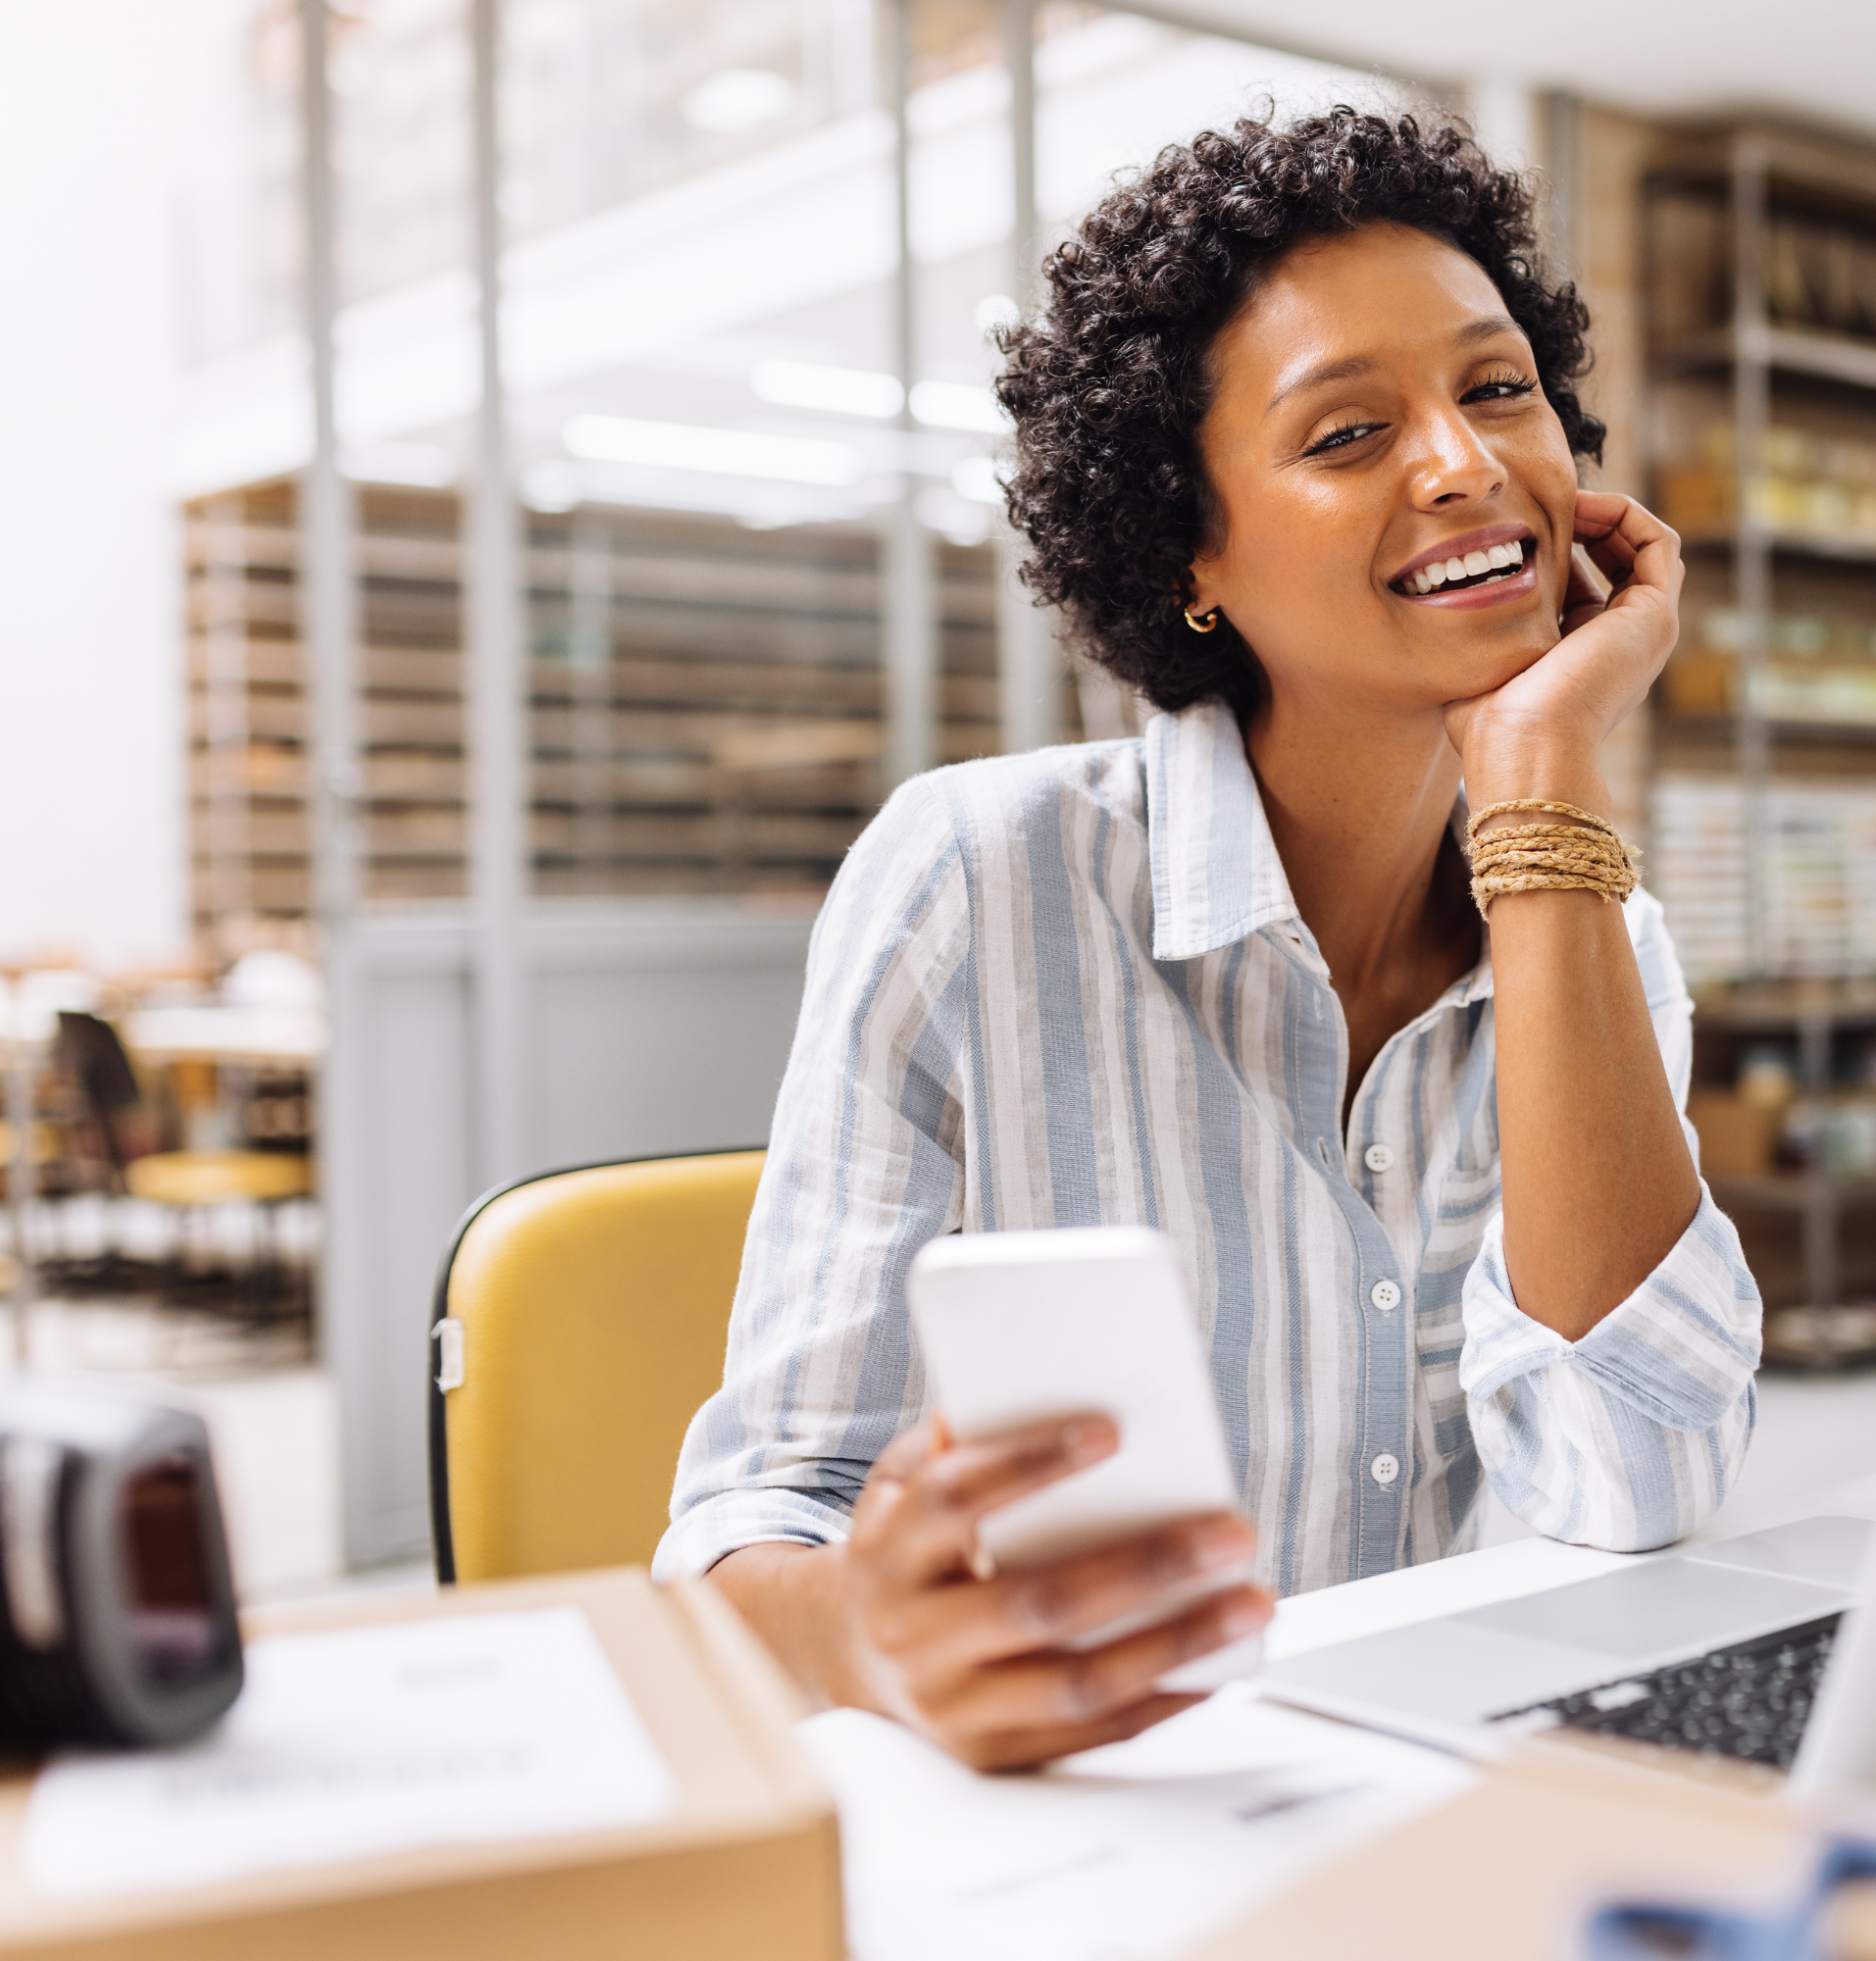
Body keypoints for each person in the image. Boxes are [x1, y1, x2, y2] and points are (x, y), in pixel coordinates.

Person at [657, 106, 1762, 1771]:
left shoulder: (1589, 935)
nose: (1465, 466)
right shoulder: (978, 881)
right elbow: (760, 1519)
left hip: (1434, 1783)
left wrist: (1539, 783)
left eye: (1498, 386)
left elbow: (1642, 1487)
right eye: (1345, 435)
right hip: (1100, 1810)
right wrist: (878, 1631)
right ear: (1189, 555)